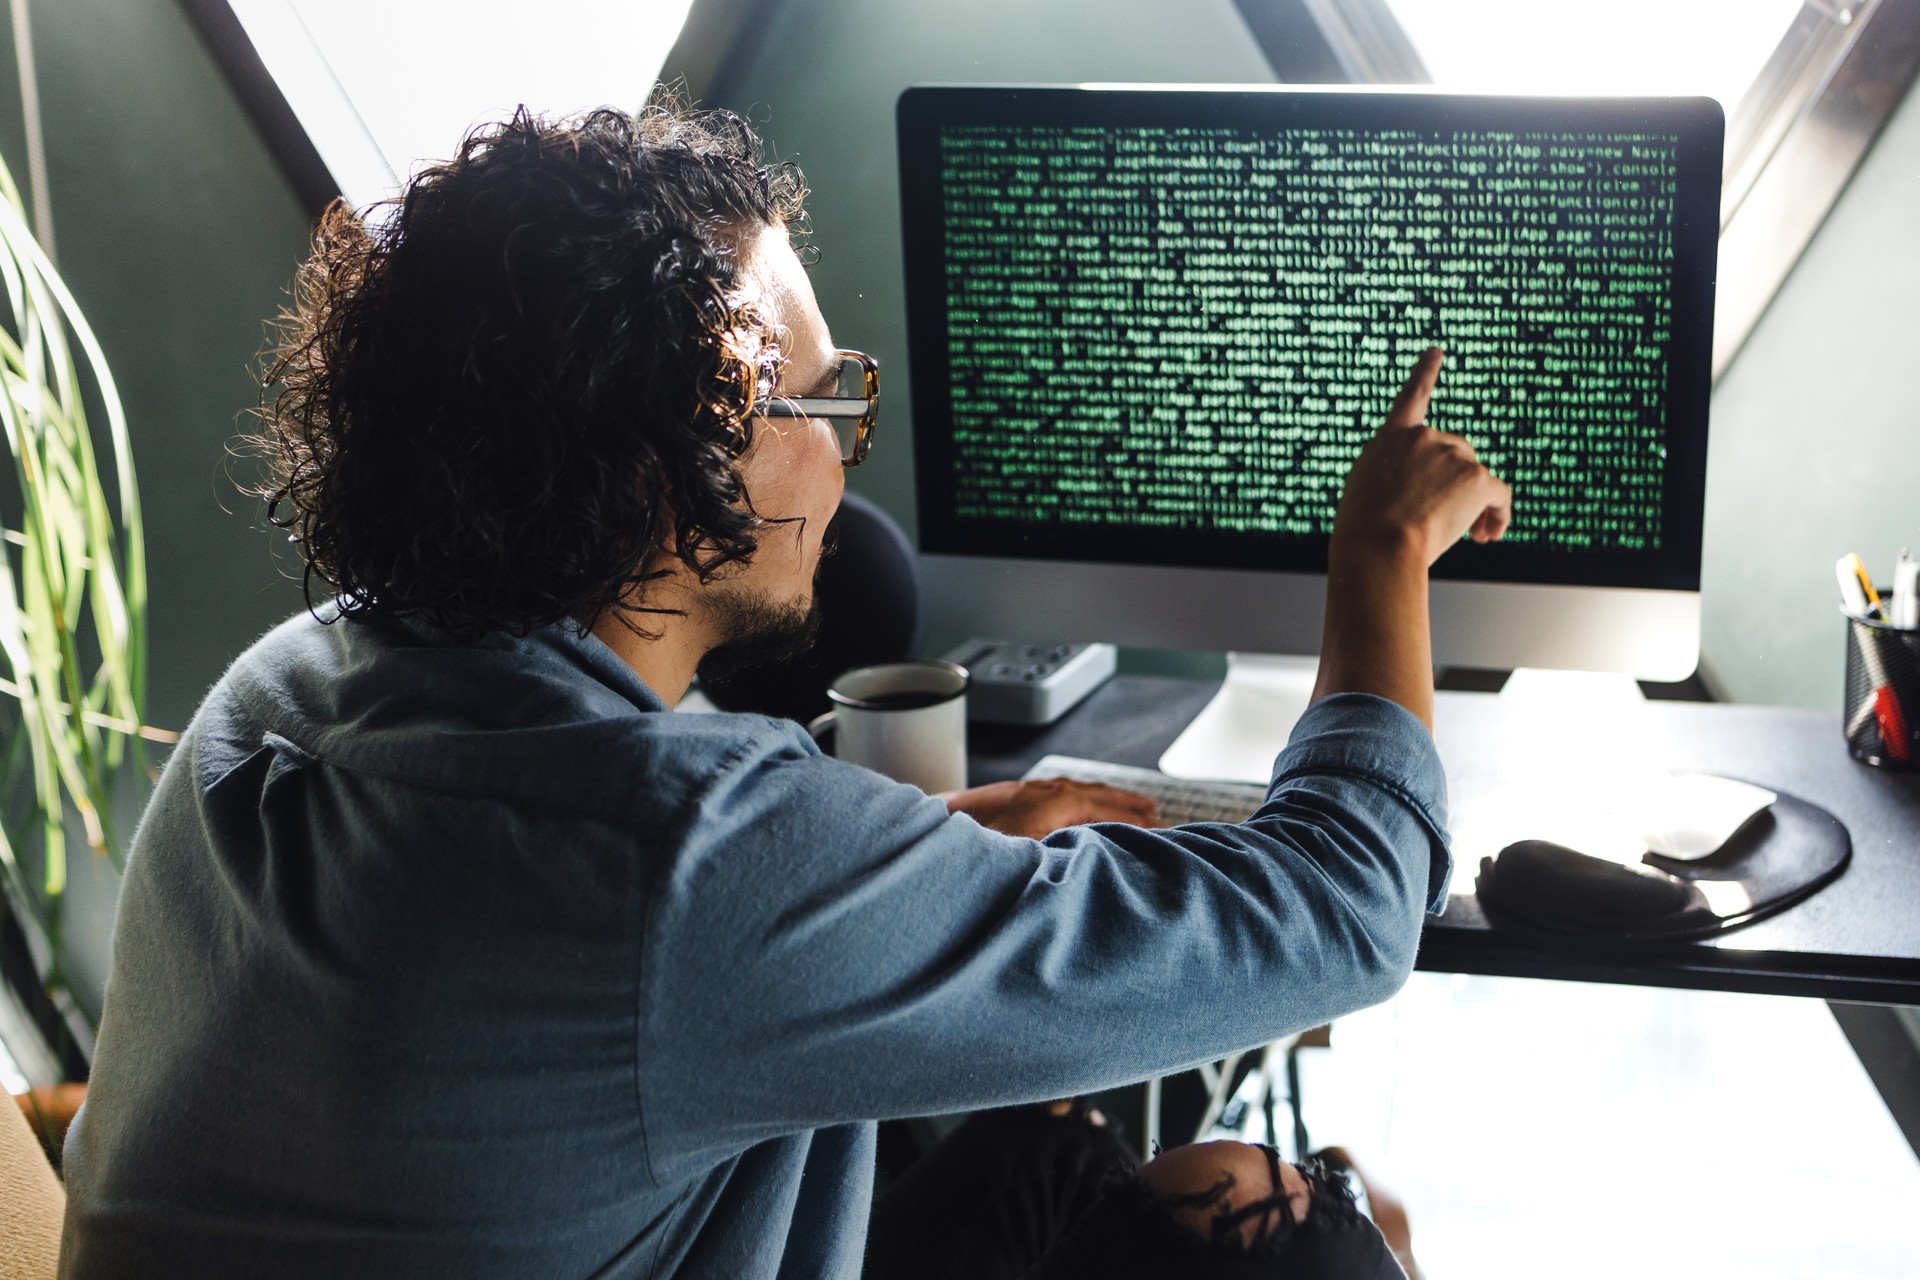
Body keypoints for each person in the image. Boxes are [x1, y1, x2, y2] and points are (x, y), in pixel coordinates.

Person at [58, 98, 1509, 1278]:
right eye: (824, 401)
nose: (846, 446)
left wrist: (910, 860)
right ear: (683, 469)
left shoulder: (279, 691)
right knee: (1301, 1237)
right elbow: (1349, 908)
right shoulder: (682, 863)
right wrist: (1379, 545)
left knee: (1043, 1159)